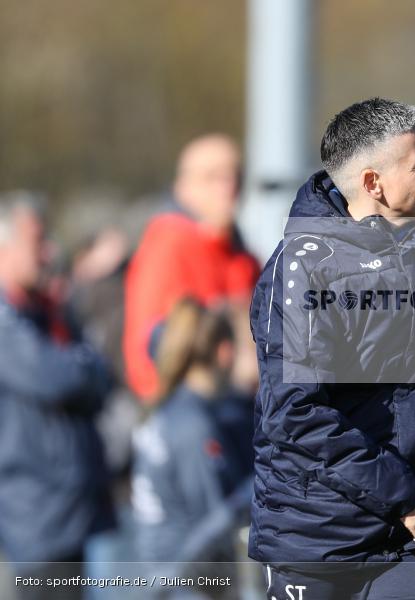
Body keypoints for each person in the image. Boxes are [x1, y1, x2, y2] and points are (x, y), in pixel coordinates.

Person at [249, 98, 415, 600]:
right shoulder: (303, 268)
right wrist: (404, 494)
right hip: (320, 539)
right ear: (373, 184)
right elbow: (296, 413)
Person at [0, 193, 114, 599]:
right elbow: (55, 378)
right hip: (35, 515)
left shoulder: (49, 312)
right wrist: (79, 367)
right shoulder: (6, 320)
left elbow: (102, 375)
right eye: (37, 241)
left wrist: (79, 367)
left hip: (71, 509)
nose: (50, 252)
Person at [123, 133, 259, 402]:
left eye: (235, 176)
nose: (228, 187)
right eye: (212, 177)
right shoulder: (169, 244)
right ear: (182, 187)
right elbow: (151, 352)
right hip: (191, 409)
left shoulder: (244, 257)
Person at [131, 297, 249, 598]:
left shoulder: (174, 409)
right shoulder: (193, 425)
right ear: (225, 352)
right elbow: (211, 527)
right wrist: (255, 492)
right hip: (182, 581)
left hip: (164, 571)